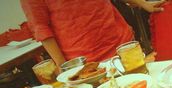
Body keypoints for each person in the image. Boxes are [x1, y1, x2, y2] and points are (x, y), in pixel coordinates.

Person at [20, 0, 164, 67]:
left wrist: (143, 3)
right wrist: (62, 66)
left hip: (123, 45)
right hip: (86, 61)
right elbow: (40, 27)